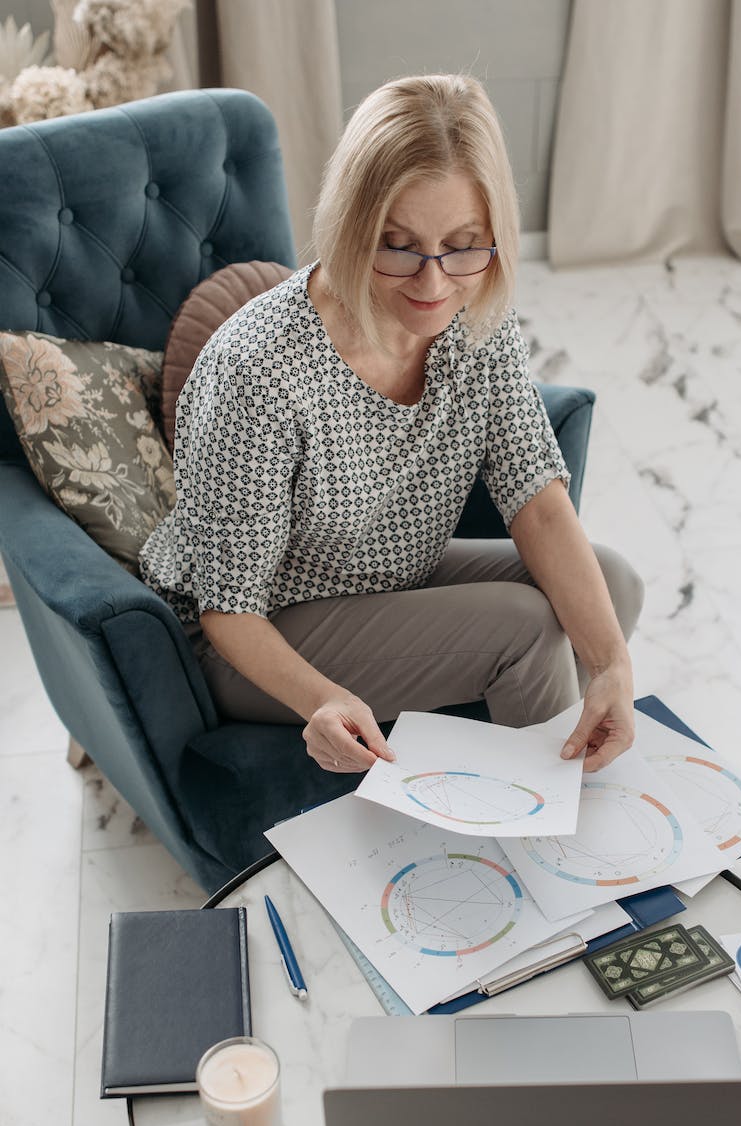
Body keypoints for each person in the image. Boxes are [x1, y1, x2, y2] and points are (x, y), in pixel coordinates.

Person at [139, 73, 643, 777]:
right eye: (398, 246)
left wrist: (613, 666)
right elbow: (228, 610)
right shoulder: (259, 372)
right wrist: (321, 698)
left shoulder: (474, 316)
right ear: (352, 226)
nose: (434, 285)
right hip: (256, 633)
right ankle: (552, 848)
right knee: (526, 632)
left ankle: (528, 779)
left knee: (611, 587)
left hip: (387, 577)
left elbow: (536, 496)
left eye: (464, 245)